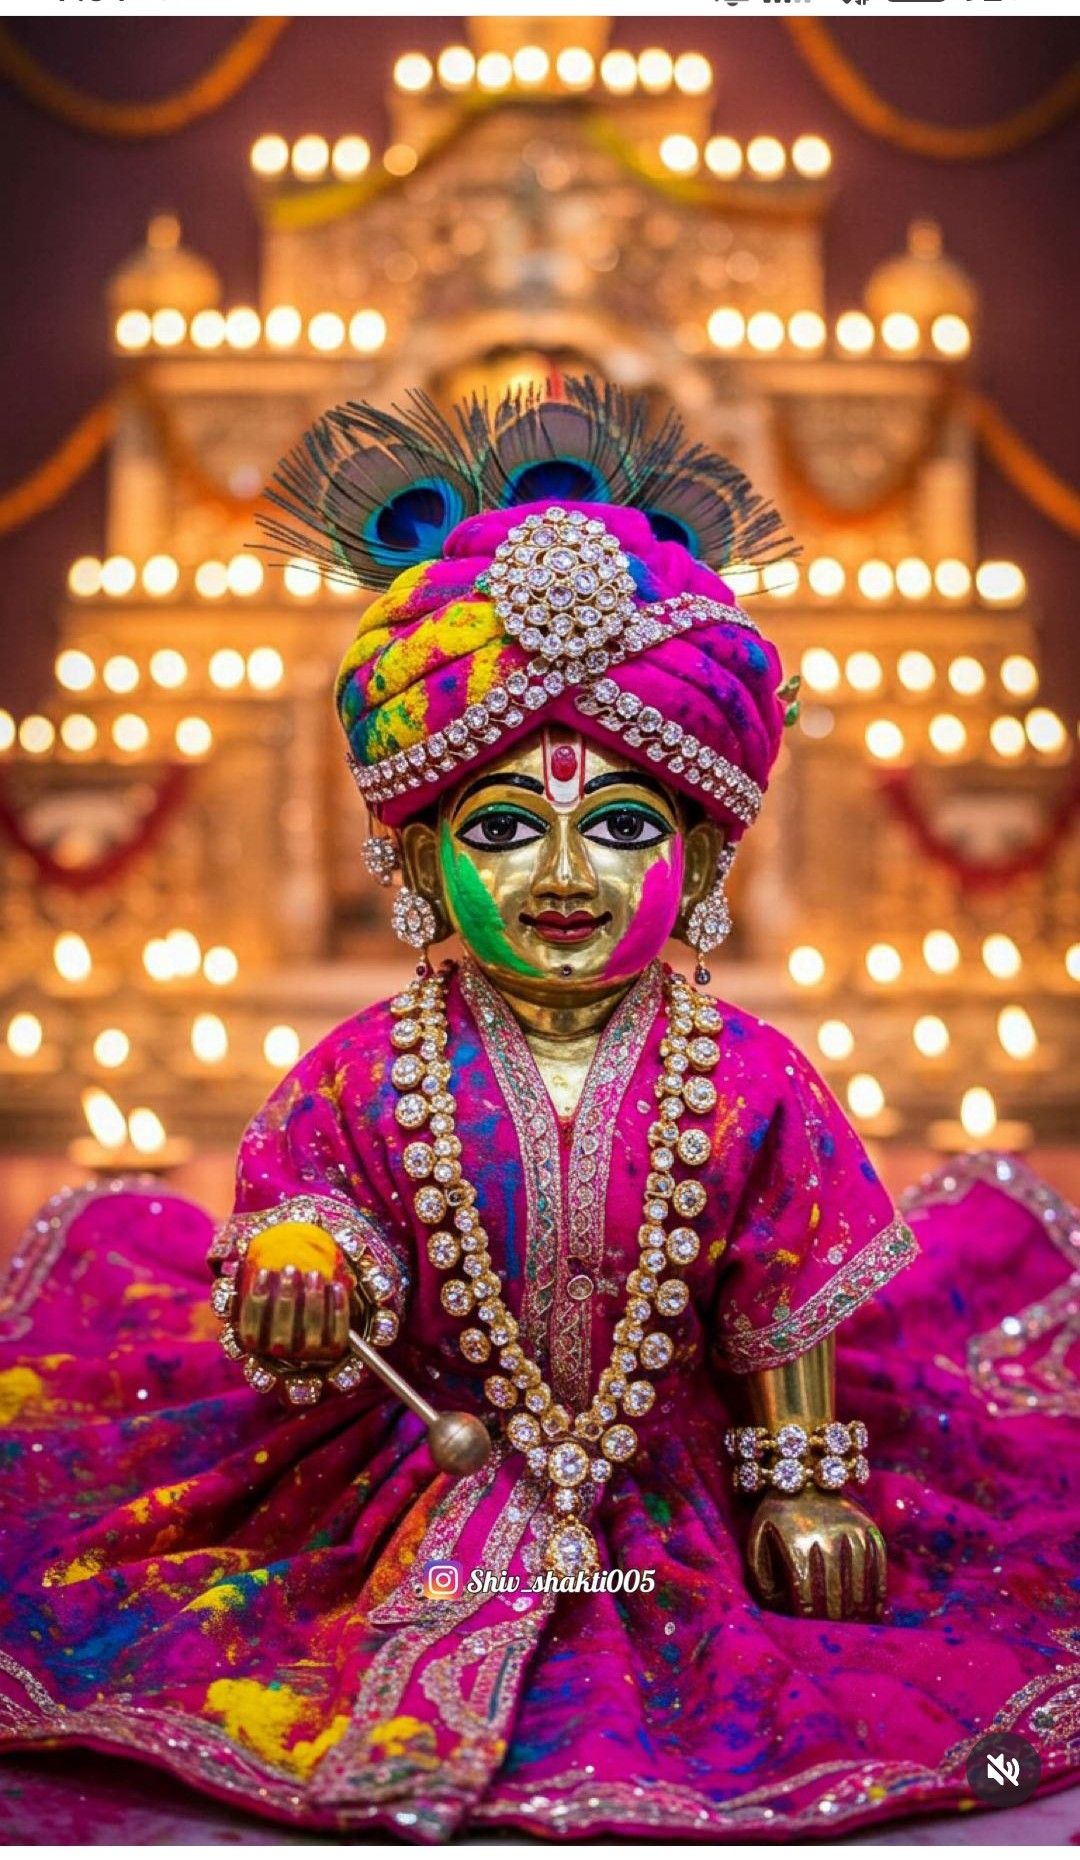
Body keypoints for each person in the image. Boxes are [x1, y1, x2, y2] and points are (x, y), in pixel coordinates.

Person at [1, 381, 1076, 1841]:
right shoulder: (366, 1069)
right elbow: (309, 1214)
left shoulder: (754, 1076)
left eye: (623, 822)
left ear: (700, 854)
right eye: (503, 826)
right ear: (420, 856)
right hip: (399, 1477)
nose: (560, 869)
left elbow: (788, 1304)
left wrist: (802, 1491)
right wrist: (307, 1270)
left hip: (680, 1471)